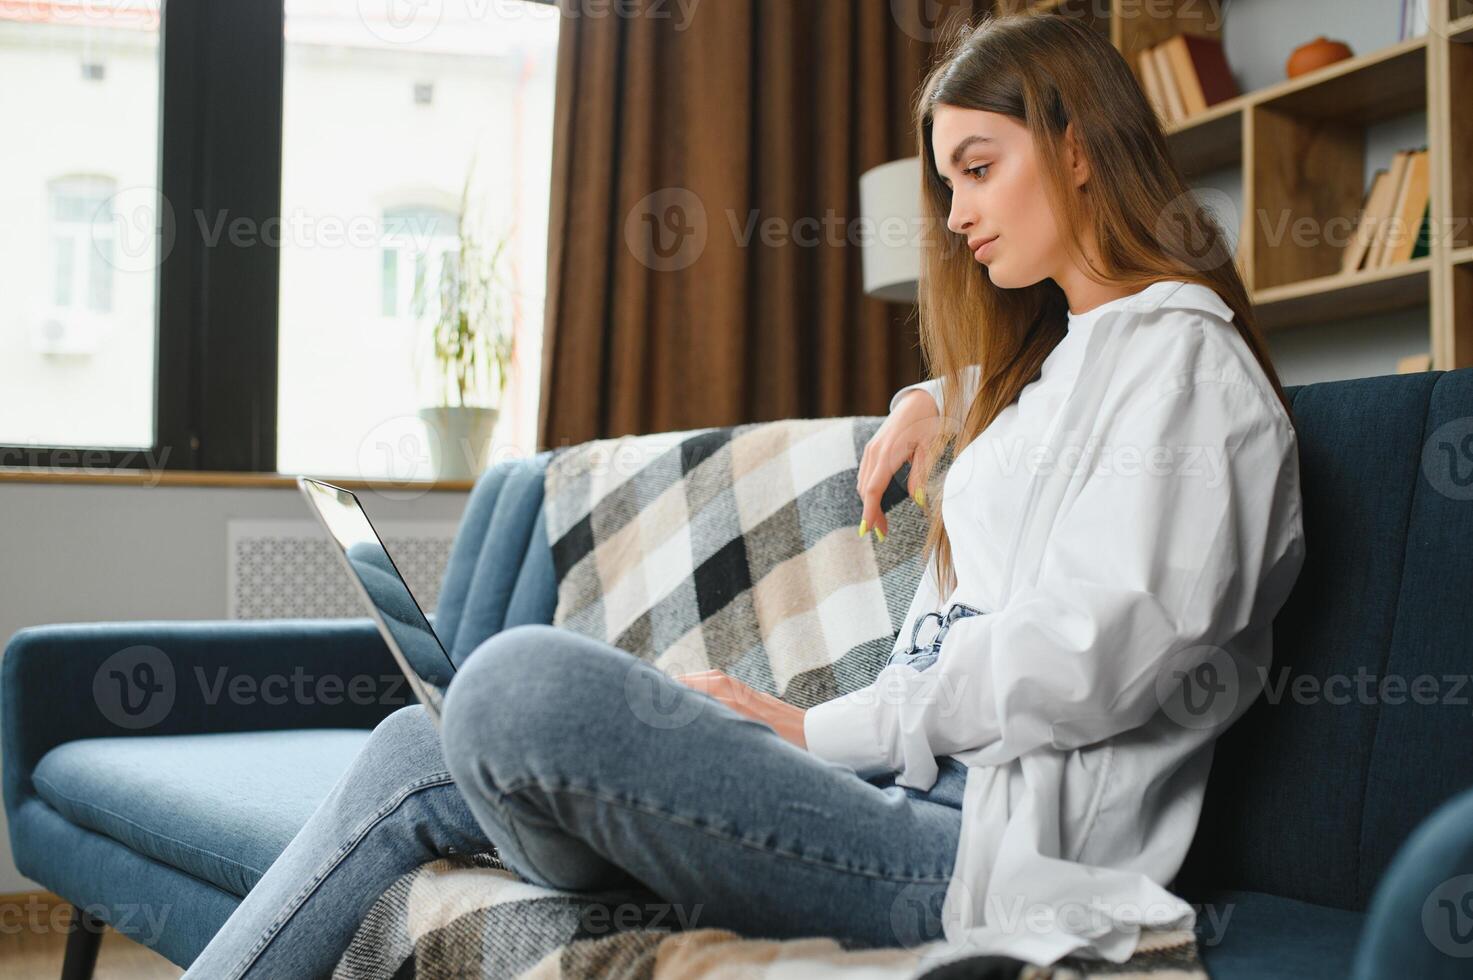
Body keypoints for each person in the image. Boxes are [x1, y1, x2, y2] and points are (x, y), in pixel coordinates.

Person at [181, 9, 1304, 978]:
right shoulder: (1060, 367)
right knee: (412, 744)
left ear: (1078, 146)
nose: (955, 215)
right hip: (902, 796)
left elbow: (1092, 657)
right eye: (946, 180)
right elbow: (1053, 424)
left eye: (978, 165)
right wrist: (940, 395)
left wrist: (819, 729)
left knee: (522, 683)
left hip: (984, 861)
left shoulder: (1190, 370)